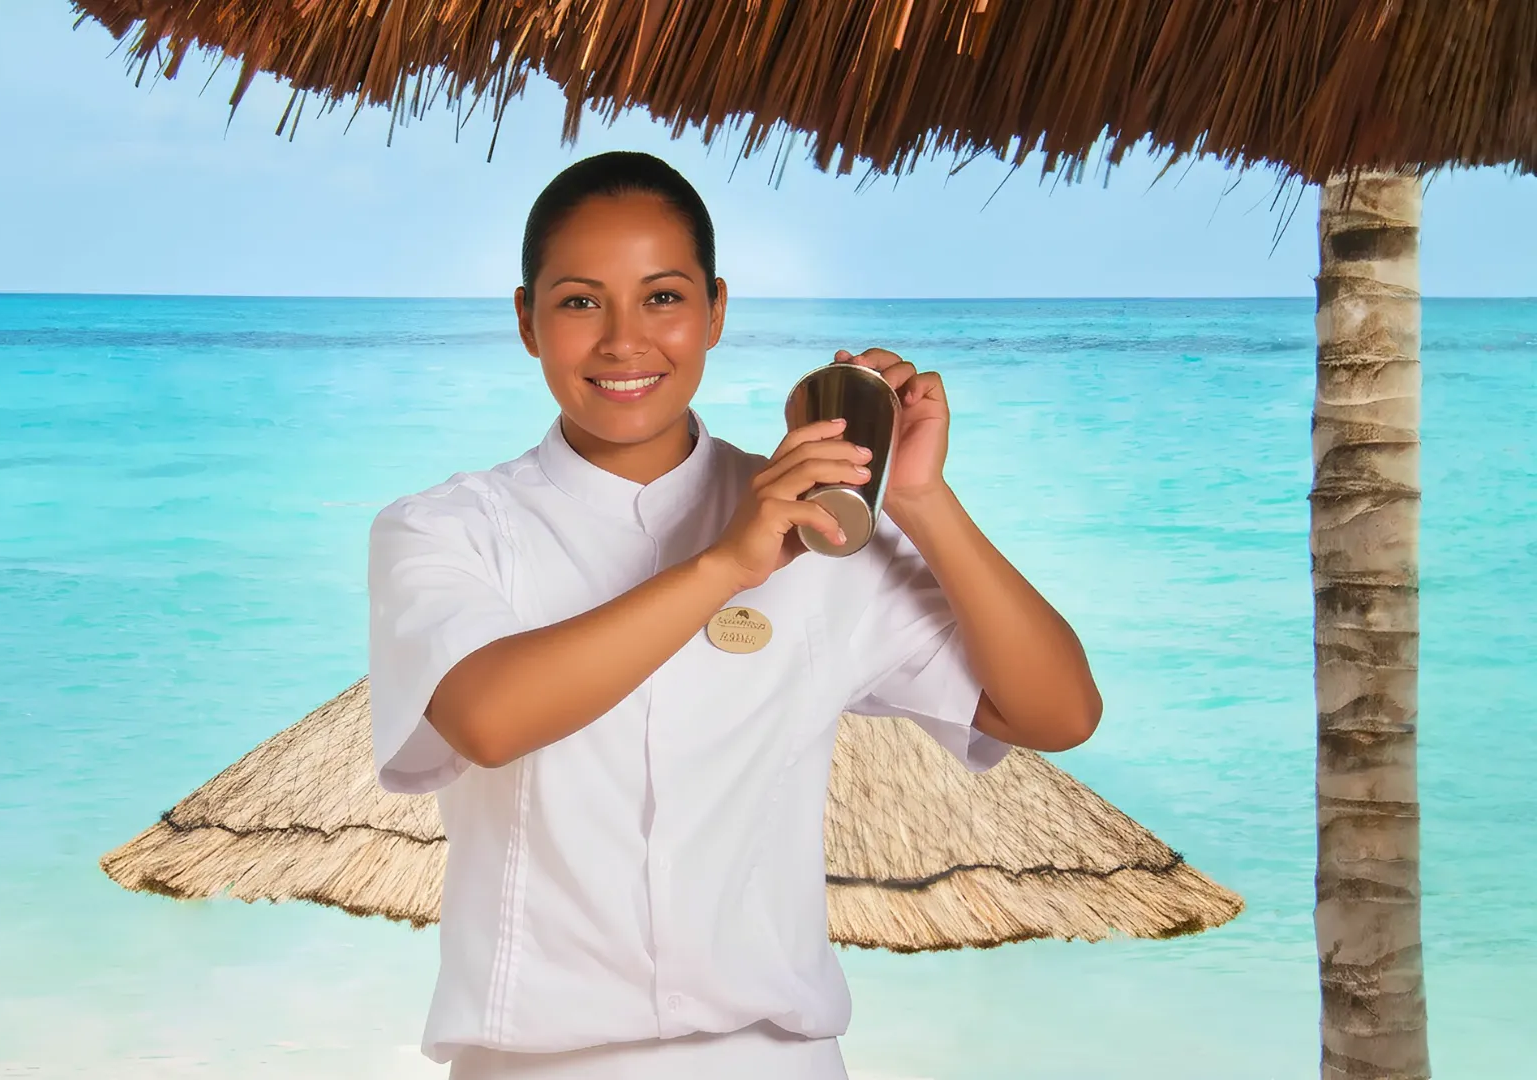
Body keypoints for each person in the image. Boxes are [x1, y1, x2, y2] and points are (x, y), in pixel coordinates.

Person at [366, 151, 1102, 1079]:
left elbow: (1057, 712)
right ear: (528, 321)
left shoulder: (823, 530)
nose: (626, 343)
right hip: (538, 1064)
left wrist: (919, 500)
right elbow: (489, 717)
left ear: (716, 309)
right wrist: (727, 564)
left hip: (780, 1058)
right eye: (581, 301)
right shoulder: (444, 528)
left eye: (664, 298)